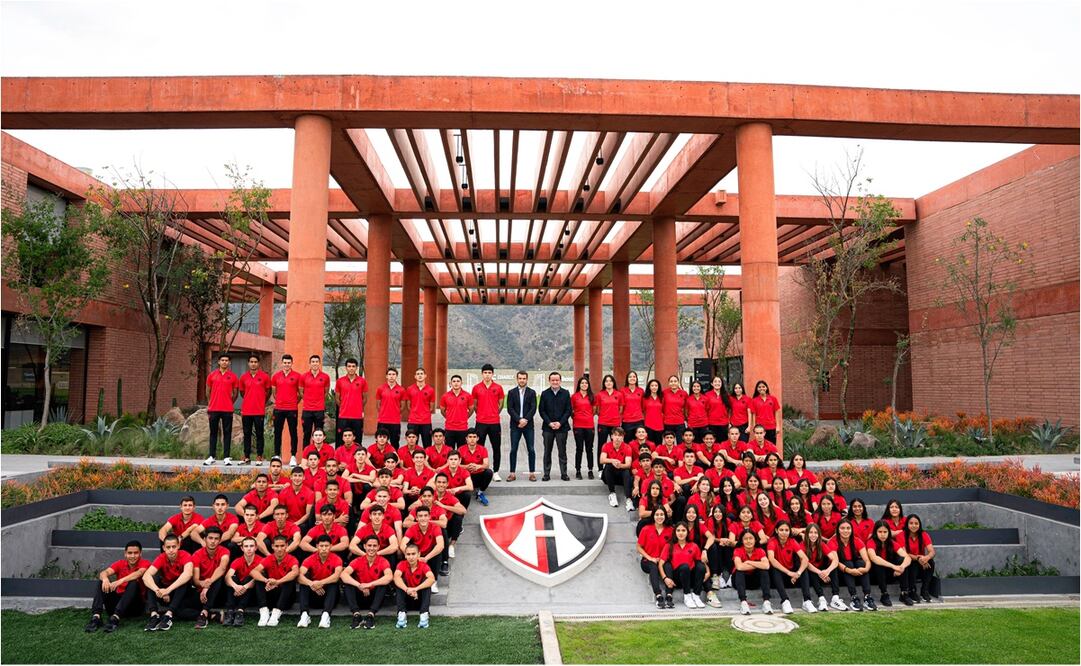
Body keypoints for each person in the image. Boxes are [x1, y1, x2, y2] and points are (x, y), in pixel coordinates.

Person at [84, 540, 149, 633]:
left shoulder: (145, 563)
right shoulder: (120, 563)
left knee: (133, 582)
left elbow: (139, 573)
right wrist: (105, 579)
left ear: (140, 554)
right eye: (130, 553)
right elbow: (104, 573)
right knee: (101, 582)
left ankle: (115, 618)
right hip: (116, 604)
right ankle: (96, 617)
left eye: (136, 553)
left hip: (135, 606)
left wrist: (121, 580)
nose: (133, 556)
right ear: (125, 554)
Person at [141, 534, 194, 631]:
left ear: (178, 546)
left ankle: (169, 615)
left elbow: (188, 574)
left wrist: (168, 590)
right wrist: (158, 590)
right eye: (168, 547)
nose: (171, 550)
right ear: (164, 548)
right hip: (164, 595)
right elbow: (146, 576)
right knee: (151, 579)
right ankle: (154, 615)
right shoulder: (161, 557)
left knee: (183, 580)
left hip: (181, 594)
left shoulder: (185, 555)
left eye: (174, 547)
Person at [342, 535, 394, 629]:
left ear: (378, 547)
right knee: (348, 583)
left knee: (383, 584)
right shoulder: (357, 560)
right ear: (365, 546)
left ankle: (371, 615)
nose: (372, 548)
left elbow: (389, 577)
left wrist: (369, 584)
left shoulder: (383, 561)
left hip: (374, 597)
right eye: (369, 545)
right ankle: (356, 615)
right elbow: (344, 575)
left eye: (374, 546)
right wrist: (359, 585)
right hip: (359, 596)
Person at [767, 521, 816, 613]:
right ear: (776, 530)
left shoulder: (792, 541)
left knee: (803, 568)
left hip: (793, 578)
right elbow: (772, 559)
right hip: (778, 578)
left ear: (790, 531)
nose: (784, 532)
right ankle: (785, 601)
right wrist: (789, 573)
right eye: (781, 530)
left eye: (786, 530)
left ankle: (807, 601)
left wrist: (798, 573)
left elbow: (805, 558)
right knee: (775, 569)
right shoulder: (772, 541)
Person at [250, 535, 299, 626]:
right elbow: (253, 572)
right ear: (272, 546)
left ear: (287, 545)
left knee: (290, 578)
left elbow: (295, 572)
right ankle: (264, 611)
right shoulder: (268, 558)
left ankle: (277, 612)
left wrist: (278, 581)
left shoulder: (292, 559)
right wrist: (266, 580)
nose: (279, 549)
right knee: (259, 577)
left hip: (286, 600)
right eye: (276, 546)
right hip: (271, 596)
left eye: (282, 546)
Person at [297, 535, 343, 628]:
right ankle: (304, 614)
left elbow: (337, 576)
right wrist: (312, 584)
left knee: (333, 582)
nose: (324, 548)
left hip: (330, 596)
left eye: (326, 546)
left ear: (331, 546)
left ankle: (326, 615)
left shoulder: (337, 559)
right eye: (321, 546)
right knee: (304, 581)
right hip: (313, 595)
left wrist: (321, 583)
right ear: (317, 546)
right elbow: (299, 576)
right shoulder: (309, 559)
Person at [191, 527, 231, 628]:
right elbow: (195, 580)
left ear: (220, 540)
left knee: (219, 577)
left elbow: (222, 568)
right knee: (179, 610)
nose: (213, 541)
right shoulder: (197, 554)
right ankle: (213, 616)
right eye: (210, 538)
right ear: (205, 539)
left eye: (216, 539)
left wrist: (208, 585)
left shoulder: (225, 551)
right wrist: (202, 584)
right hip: (203, 596)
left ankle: (205, 612)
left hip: (219, 593)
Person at [662, 521, 708, 609]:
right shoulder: (669, 546)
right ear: (675, 532)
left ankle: (696, 595)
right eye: (678, 530)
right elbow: (661, 564)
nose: (681, 533)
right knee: (685, 567)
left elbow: (701, 562)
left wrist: (708, 572)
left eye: (683, 530)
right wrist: (665, 578)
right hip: (678, 578)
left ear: (687, 532)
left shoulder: (693, 546)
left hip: (690, 578)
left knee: (701, 567)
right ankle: (687, 596)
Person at [400, 506, 445, 595]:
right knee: (407, 554)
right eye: (420, 516)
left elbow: (441, 545)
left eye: (425, 516)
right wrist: (415, 557)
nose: (423, 518)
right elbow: (402, 545)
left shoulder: (436, 527)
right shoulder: (412, 528)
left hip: (430, 554)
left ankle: (434, 581)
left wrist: (426, 558)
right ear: (416, 518)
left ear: (429, 517)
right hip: (417, 553)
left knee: (438, 553)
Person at [866, 519, 911, 607]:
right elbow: (874, 558)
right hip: (875, 575)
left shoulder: (892, 543)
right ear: (875, 532)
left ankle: (904, 593)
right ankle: (884, 594)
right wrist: (894, 567)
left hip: (891, 574)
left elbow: (907, 557)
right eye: (880, 532)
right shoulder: (871, 542)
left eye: (885, 532)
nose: (883, 534)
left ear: (889, 532)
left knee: (901, 560)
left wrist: (901, 567)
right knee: (879, 563)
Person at [205, 353, 240, 466]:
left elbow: (235, 393)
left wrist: (229, 403)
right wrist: (211, 403)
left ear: (229, 363)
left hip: (227, 410)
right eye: (222, 360)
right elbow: (207, 392)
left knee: (227, 433)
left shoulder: (233, 376)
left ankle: (226, 457)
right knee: (213, 433)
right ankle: (211, 456)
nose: (224, 362)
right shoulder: (212, 375)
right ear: (219, 362)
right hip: (213, 409)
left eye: (226, 360)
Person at [471, 363, 505, 481]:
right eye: (485, 373)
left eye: (489, 373)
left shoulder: (498, 387)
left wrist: (495, 413)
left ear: (492, 374)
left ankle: (496, 472)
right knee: (479, 447)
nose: (487, 375)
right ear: (482, 374)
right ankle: (480, 470)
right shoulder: (476, 388)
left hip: (494, 422)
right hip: (481, 422)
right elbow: (474, 405)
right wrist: (480, 414)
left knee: (496, 447)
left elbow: (501, 403)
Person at [831, 519, 874, 611]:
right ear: (838, 530)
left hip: (855, 572)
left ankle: (867, 596)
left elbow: (867, 560)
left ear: (851, 529)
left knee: (861, 563)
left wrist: (866, 569)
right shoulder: (833, 541)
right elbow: (836, 562)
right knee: (848, 563)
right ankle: (854, 597)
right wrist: (849, 570)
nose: (845, 531)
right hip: (840, 572)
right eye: (842, 528)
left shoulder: (857, 540)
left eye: (848, 528)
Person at [637, 507, 674, 609]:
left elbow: (671, 548)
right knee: (653, 566)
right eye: (657, 515)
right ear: (653, 516)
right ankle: (658, 596)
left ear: (665, 516)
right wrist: (650, 558)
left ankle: (669, 595)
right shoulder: (646, 529)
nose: (659, 517)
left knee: (669, 566)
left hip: (663, 560)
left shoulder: (670, 530)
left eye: (661, 514)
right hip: (648, 560)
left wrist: (662, 559)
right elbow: (638, 547)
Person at [802, 523, 845, 611]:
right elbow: (806, 563)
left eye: (815, 533)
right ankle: (821, 598)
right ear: (806, 534)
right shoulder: (802, 545)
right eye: (810, 532)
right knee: (809, 570)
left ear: (819, 535)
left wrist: (827, 571)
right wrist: (820, 573)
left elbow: (835, 560)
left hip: (822, 571)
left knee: (833, 567)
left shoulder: (821, 544)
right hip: (811, 572)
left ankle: (835, 598)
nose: (813, 535)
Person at [238, 354, 271, 464]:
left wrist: (262, 401)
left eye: (255, 362)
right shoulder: (243, 377)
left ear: (258, 363)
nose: (253, 364)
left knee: (259, 434)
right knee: (247, 434)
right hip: (246, 411)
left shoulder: (264, 377)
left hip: (259, 411)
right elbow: (242, 393)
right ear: (248, 363)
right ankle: (246, 456)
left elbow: (268, 391)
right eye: (251, 362)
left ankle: (259, 456)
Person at [539, 371, 572, 481]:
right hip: (548, 428)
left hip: (562, 428)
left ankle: (564, 473)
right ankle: (546, 474)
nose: (555, 382)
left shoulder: (566, 393)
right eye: (553, 380)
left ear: (560, 381)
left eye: (557, 380)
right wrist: (549, 422)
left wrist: (560, 423)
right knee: (547, 451)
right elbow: (542, 410)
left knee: (562, 451)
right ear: (549, 381)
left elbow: (568, 410)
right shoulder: (544, 393)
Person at [394, 542, 436, 629]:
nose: (411, 557)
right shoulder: (401, 564)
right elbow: (396, 578)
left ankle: (424, 614)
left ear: (418, 554)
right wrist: (407, 589)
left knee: (426, 582)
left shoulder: (424, 566)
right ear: (405, 555)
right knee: (400, 581)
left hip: (419, 599)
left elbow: (432, 579)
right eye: (408, 554)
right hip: (406, 599)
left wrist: (416, 589)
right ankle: (401, 614)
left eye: (413, 554)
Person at [505, 370, 537, 482]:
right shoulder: (511, 392)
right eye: (520, 378)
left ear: (527, 379)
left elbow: (533, 408)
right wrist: (519, 419)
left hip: (528, 425)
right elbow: (510, 408)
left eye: (524, 378)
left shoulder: (532, 392)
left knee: (531, 449)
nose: (522, 380)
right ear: (517, 379)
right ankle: (512, 473)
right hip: (515, 425)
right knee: (513, 449)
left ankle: (532, 473)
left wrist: (526, 420)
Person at [270, 354, 302, 464]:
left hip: (292, 409)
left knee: (293, 432)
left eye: (289, 363)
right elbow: (274, 393)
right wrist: (280, 401)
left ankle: (293, 456)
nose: (287, 364)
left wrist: (293, 402)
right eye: (285, 362)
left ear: (292, 363)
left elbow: (300, 393)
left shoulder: (297, 376)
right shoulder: (276, 376)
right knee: (277, 432)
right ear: (282, 363)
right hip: (278, 409)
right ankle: (276, 455)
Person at [732, 529, 772, 615]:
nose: (748, 541)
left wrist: (749, 562)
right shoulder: (738, 550)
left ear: (755, 540)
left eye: (751, 538)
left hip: (754, 581)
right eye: (745, 539)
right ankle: (743, 602)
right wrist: (758, 564)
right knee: (740, 572)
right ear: (742, 541)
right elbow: (739, 566)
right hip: (739, 581)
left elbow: (766, 565)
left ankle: (766, 602)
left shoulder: (760, 550)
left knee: (764, 571)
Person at [223, 536, 261, 626]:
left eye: (251, 546)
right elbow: (227, 577)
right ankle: (230, 611)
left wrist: (244, 587)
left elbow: (257, 580)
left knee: (251, 577)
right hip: (237, 593)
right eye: (246, 546)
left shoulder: (261, 561)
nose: (249, 549)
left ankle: (240, 611)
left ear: (256, 548)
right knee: (232, 578)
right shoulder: (237, 561)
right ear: (242, 548)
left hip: (252, 595)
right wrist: (235, 587)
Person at [902, 514, 936, 603]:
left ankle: (924, 590)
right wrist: (918, 558)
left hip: (921, 562)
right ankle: (912, 590)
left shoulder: (923, 534)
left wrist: (926, 558)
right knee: (913, 564)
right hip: (909, 562)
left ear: (919, 525)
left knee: (931, 563)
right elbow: (904, 553)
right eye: (911, 523)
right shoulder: (902, 535)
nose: (914, 526)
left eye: (916, 523)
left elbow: (932, 551)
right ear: (907, 524)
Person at [300, 355, 332, 451]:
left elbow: (326, 392)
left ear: (319, 363)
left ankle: (318, 455)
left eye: (316, 361)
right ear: (310, 364)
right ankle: (305, 456)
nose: (315, 363)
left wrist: (319, 401)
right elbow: (301, 391)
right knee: (307, 433)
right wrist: (308, 400)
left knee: (319, 435)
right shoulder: (304, 377)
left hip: (319, 410)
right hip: (307, 410)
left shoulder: (325, 377)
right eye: (313, 361)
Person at [334, 358, 368, 446]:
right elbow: (337, 398)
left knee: (357, 441)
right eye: (349, 366)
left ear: (356, 368)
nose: (351, 368)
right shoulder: (340, 381)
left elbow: (364, 399)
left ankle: (357, 459)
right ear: (346, 368)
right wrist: (344, 407)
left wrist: (358, 407)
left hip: (357, 417)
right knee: (341, 440)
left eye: (353, 366)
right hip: (343, 416)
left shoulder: (362, 381)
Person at [600, 426, 634, 510]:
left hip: (621, 476)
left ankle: (628, 499)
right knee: (608, 466)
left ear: (623, 437)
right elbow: (602, 460)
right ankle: (612, 493)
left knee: (626, 471)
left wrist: (619, 465)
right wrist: (612, 461)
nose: (618, 438)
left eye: (620, 436)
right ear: (612, 436)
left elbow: (628, 464)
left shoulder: (627, 447)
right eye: (616, 435)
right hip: (609, 476)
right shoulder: (606, 445)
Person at [458, 429, 493, 506]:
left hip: (478, 475)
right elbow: (457, 465)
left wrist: (478, 466)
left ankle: (480, 492)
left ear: (477, 438)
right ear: (466, 438)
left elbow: (486, 465)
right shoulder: (461, 449)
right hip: (467, 476)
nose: (472, 439)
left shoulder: (483, 449)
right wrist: (466, 467)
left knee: (489, 472)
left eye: (474, 437)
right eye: (470, 437)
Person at [570, 375, 596, 480]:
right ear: (579, 385)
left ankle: (590, 470)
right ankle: (578, 470)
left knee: (589, 449)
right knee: (579, 449)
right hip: (578, 426)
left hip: (589, 426)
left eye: (586, 383)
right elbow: (571, 411)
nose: (584, 385)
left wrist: (588, 417)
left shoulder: (592, 396)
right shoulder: (574, 396)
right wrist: (577, 417)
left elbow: (594, 410)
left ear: (588, 385)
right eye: (582, 383)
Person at [594, 374, 624, 462]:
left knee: (616, 445)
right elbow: (597, 410)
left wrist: (614, 416)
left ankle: (615, 464)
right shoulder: (600, 394)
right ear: (604, 383)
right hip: (603, 424)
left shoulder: (619, 394)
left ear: (613, 383)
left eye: (610, 381)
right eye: (606, 381)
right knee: (601, 445)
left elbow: (621, 409)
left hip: (615, 424)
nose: (608, 383)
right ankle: (600, 468)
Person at [405, 367, 436, 448]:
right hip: (413, 421)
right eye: (418, 374)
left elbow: (431, 407)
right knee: (412, 445)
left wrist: (424, 414)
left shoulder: (430, 390)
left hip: (426, 422)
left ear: (425, 376)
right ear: (415, 376)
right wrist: (415, 413)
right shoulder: (410, 389)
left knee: (427, 445)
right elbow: (408, 406)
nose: (420, 376)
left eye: (421, 374)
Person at [439, 374, 473, 448]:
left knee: (462, 452)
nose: (456, 383)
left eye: (458, 381)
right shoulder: (445, 396)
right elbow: (442, 410)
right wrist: (449, 417)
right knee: (449, 452)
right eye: (454, 381)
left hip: (463, 428)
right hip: (449, 428)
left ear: (461, 383)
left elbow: (471, 409)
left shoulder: (467, 395)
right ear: (450, 383)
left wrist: (465, 417)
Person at [376, 368, 406, 446]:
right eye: (389, 374)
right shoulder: (380, 389)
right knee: (381, 443)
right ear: (386, 376)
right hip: (382, 420)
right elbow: (378, 405)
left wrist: (395, 413)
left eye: (393, 374)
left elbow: (402, 406)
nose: (391, 376)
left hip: (395, 421)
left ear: (396, 376)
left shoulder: (401, 390)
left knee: (395, 443)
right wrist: (383, 413)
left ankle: (394, 458)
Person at [749, 380, 782, 445]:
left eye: (763, 386)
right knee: (761, 445)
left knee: (772, 445)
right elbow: (753, 414)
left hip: (771, 426)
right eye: (759, 387)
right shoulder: (754, 400)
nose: (762, 388)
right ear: (757, 389)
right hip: (760, 428)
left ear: (766, 388)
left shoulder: (773, 399)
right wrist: (754, 427)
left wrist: (778, 426)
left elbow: (776, 412)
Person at [706, 376, 732, 441]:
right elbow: (705, 410)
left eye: (719, 381)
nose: (717, 383)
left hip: (723, 424)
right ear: (712, 384)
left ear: (722, 383)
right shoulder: (707, 395)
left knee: (723, 444)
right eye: (715, 381)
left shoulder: (726, 395)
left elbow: (730, 409)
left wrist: (729, 421)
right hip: (711, 423)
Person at [621, 371, 646, 435]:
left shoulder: (641, 390)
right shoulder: (622, 390)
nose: (632, 378)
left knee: (639, 442)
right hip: (627, 421)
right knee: (627, 442)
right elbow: (621, 407)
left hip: (639, 420)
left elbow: (643, 406)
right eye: (630, 377)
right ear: (627, 379)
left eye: (634, 377)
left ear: (636, 379)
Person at [642, 379, 665, 447]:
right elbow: (643, 410)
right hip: (648, 425)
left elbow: (664, 410)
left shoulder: (662, 398)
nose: (654, 387)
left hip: (659, 426)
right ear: (649, 387)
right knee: (649, 445)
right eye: (652, 385)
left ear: (658, 387)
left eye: (656, 385)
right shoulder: (645, 398)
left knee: (658, 446)